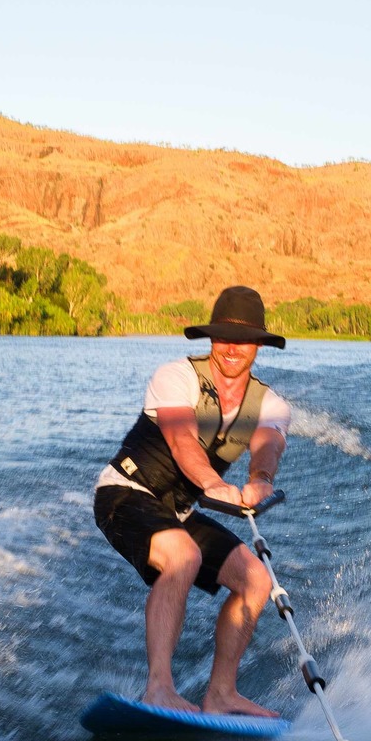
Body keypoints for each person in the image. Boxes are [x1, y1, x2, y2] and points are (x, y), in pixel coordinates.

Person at [91, 285, 290, 717]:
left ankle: (221, 694)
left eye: (244, 339)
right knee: (183, 555)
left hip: (178, 511)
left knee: (256, 579)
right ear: (210, 339)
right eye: (223, 336)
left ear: (259, 344)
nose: (233, 347)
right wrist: (212, 484)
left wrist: (260, 480)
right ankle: (159, 688)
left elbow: (267, 443)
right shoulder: (175, 377)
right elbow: (182, 440)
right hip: (125, 493)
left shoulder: (271, 404)